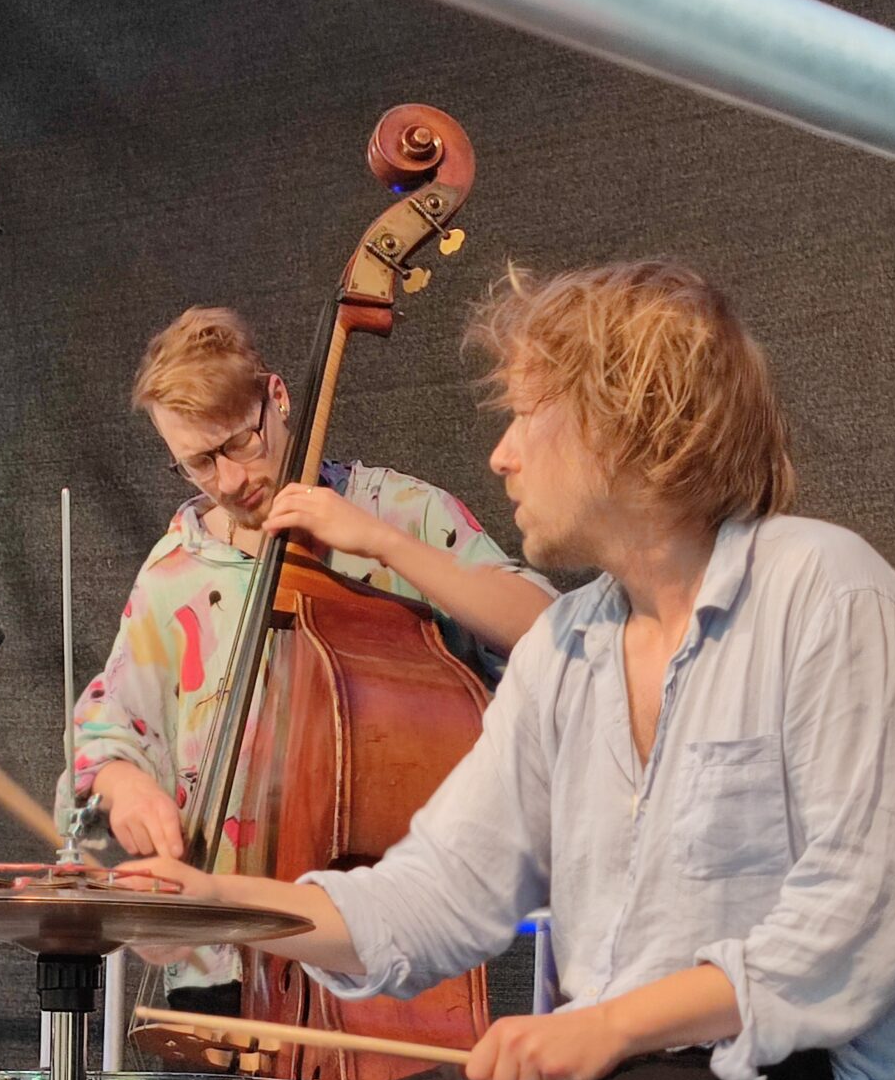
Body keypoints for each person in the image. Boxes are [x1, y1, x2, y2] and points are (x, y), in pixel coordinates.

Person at [117, 259, 895, 1080]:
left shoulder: (827, 590)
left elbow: (862, 914)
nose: (501, 452)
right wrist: (220, 904)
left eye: (525, 416)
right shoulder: (570, 647)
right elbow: (438, 891)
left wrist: (604, 1027)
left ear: (624, 423)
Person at [62, 306, 553, 995]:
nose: (228, 481)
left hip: (378, 961)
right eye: (198, 463)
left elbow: (551, 634)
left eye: (239, 443)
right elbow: (105, 729)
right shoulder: (174, 571)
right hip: (217, 966)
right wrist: (125, 785)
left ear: (278, 398)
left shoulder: (399, 512)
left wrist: (382, 544)